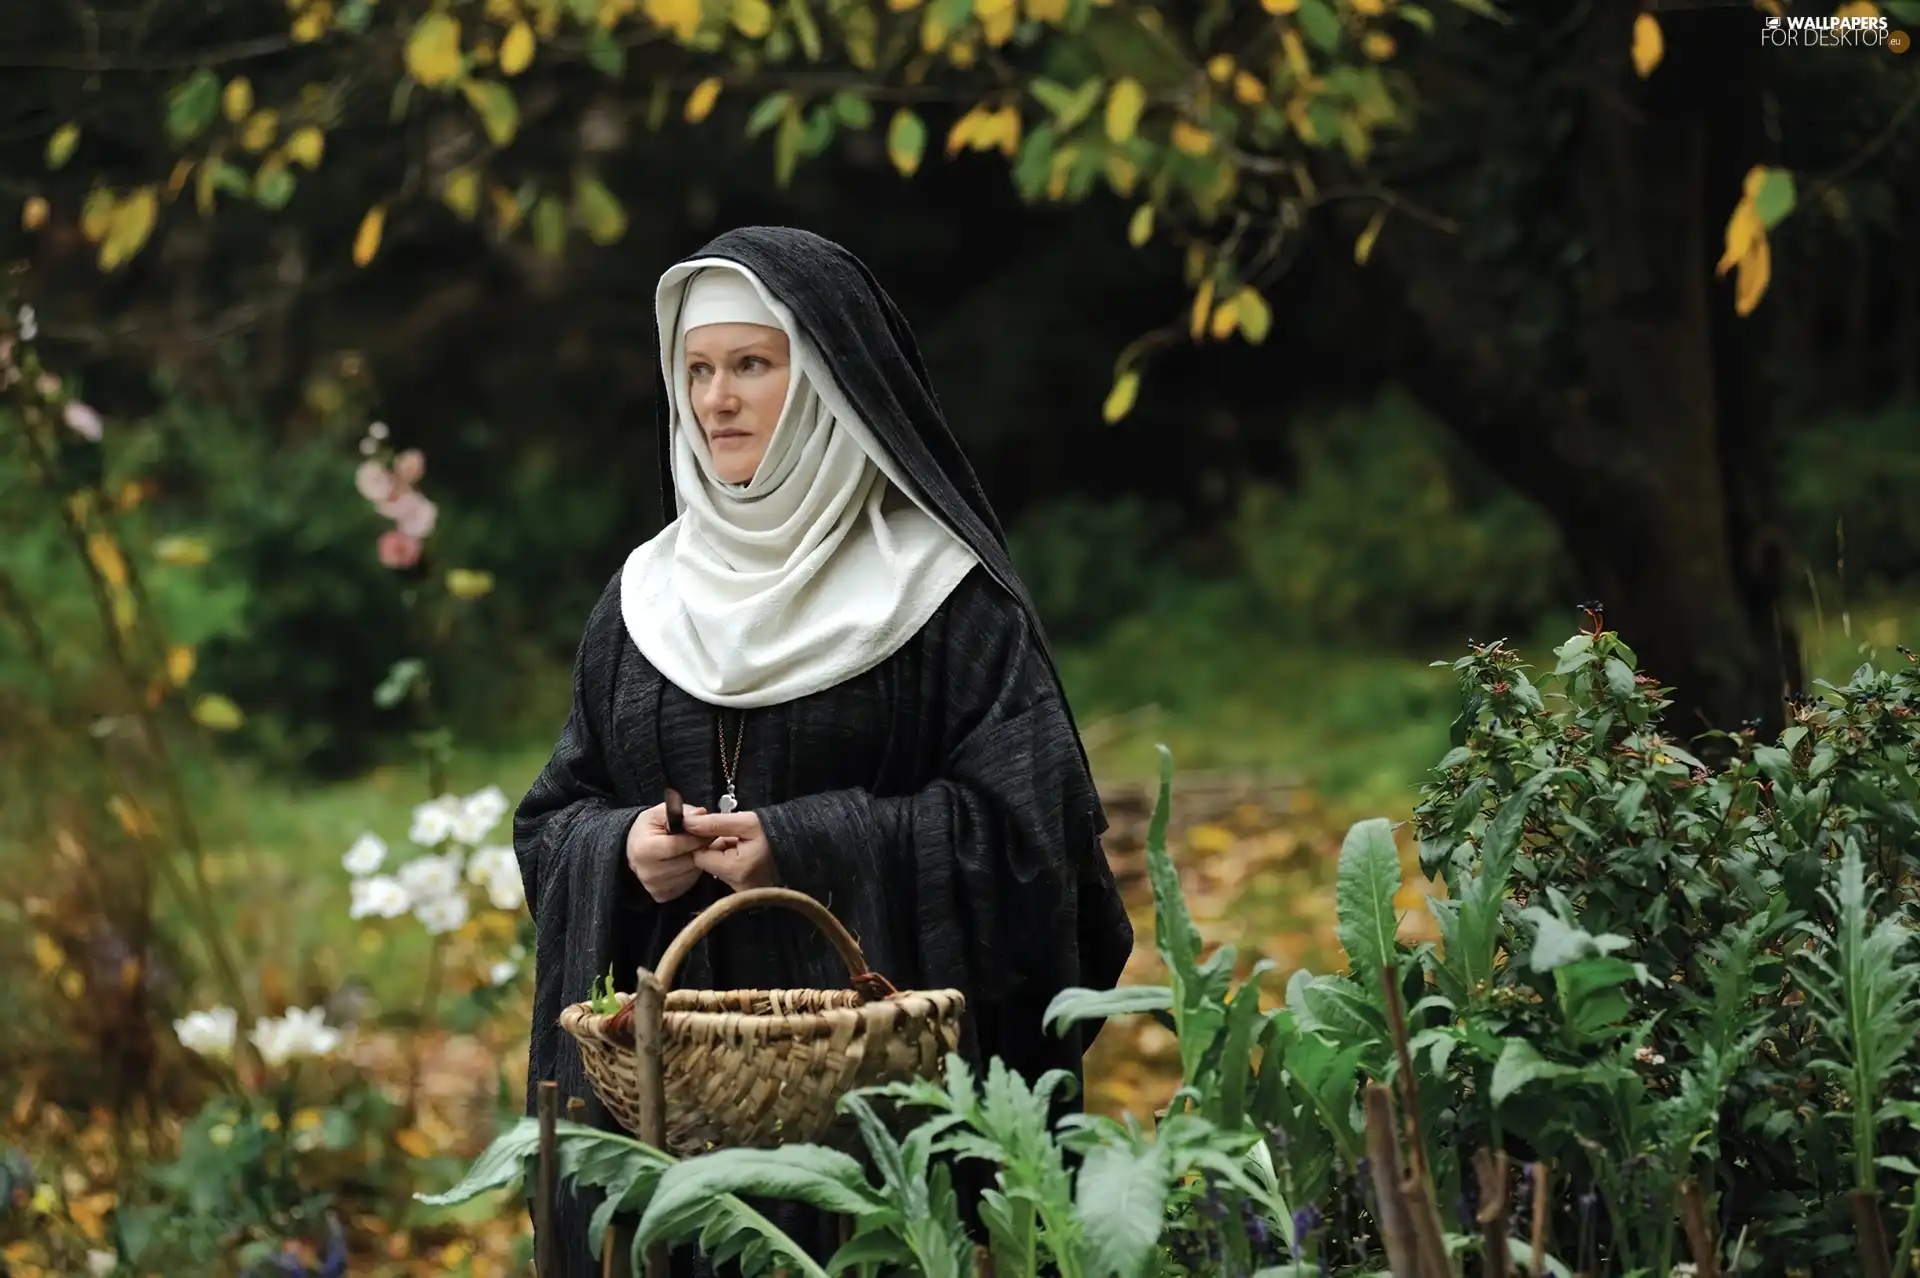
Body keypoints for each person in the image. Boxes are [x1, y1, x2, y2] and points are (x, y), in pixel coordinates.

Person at [513, 226, 1135, 1276]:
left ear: (832, 382)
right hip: (675, 1146)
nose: (717, 402)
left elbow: (1038, 846)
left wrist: (809, 846)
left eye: (752, 366)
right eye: (697, 371)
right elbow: (553, 817)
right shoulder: (641, 603)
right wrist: (622, 851)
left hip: (883, 1158)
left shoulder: (946, 601)